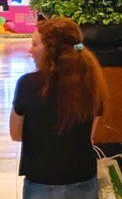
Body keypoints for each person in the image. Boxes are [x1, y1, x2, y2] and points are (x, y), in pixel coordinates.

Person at [10, 17, 107, 199]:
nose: (29, 50)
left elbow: (16, 134)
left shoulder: (28, 84)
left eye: (35, 44)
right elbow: (89, 136)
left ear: (50, 50)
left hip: (41, 179)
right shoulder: (92, 82)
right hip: (83, 176)